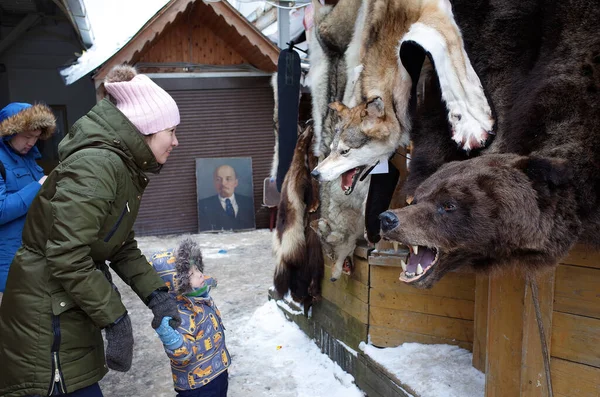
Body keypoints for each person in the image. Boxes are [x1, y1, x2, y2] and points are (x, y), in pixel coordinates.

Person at [0, 65, 183, 397]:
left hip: (67, 309)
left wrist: (156, 296)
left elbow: (120, 246)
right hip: (47, 320)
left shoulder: (122, 168)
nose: (176, 140)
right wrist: (116, 319)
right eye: (170, 131)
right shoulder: (97, 167)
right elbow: (66, 254)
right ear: (146, 129)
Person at [151, 238, 230, 397]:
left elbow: (205, 280)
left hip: (218, 372)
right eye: (192, 273)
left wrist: (210, 281)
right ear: (176, 283)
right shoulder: (181, 315)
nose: (201, 275)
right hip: (198, 386)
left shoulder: (196, 294)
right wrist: (170, 337)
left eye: (198, 269)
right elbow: (183, 355)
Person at [0, 102, 56, 294]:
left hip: (34, 258)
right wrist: (39, 186)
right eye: (26, 136)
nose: (31, 142)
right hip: (8, 263)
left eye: (36, 137)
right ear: (10, 132)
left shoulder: (30, 159)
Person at [198, 164, 255, 231]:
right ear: (214, 183)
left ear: (236, 183)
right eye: (218, 179)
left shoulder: (249, 202)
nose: (223, 183)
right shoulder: (202, 206)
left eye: (228, 179)